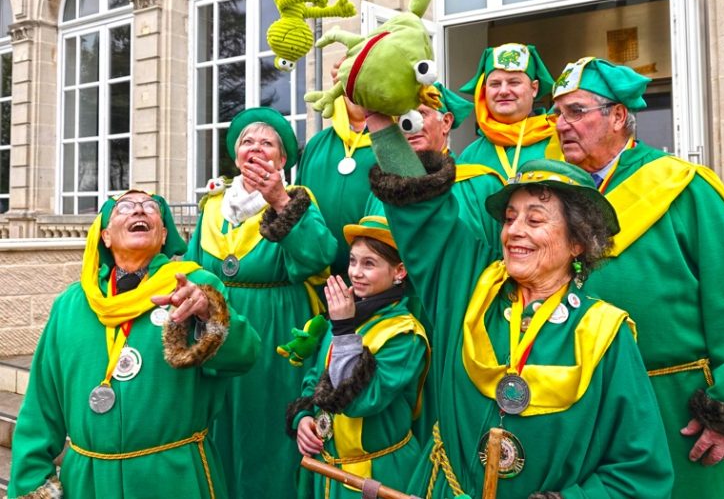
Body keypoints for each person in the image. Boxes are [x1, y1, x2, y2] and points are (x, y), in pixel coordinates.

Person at [363, 110, 674, 498]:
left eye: (536, 219)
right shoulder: (470, 287)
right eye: (510, 218)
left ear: (577, 242)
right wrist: (379, 119)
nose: (515, 231)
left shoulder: (605, 333)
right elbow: (420, 215)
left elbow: (639, 469)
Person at [550, 56, 724, 499]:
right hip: (591, 403)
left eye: (576, 111)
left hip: (679, 405)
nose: (560, 125)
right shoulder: (556, 196)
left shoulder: (684, 186)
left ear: (617, 116)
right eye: (556, 113)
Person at [8, 190, 261, 499]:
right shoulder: (70, 305)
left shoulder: (195, 290)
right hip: (88, 483)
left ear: (165, 233)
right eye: (125, 208)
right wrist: (32, 485)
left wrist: (209, 313)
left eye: (151, 208)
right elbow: (40, 407)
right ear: (105, 236)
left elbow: (246, 356)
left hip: (175, 479)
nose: (139, 212)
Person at [185, 106, 337, 499]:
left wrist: (279, 201)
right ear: (235, 156)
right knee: (221, 424)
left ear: (282, 158)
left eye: (267, 142)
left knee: (270, 431)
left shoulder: (297, 199)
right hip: (220, 331)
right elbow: (193, 270)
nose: (255, 148)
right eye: (247, 142)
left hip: (277, 333)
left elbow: (319, 257)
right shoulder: (212, 207)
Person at [286, 216, 429, 499]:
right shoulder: (345, 317)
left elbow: (361, 402)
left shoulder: (405, 335)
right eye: (352, 261)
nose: (356, 272)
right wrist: (303, 418)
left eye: (369, 264)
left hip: (377, 478)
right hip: (327, 473)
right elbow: (315, 380)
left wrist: (342, 330)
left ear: (399, 271)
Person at [365, 81, 504, 248]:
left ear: (446, 122)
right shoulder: (385, 188)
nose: (410, 126)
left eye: (421, 114)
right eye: (401, 117)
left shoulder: (482, 185)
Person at [297, 57, 377, 277]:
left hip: (375, 282)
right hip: (317, 278)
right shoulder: (317, 144)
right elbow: (299, 205)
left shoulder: (392, 141)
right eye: (345, 76)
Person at [456, 42, 562, 182]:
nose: (504, 91)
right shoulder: (469, 156)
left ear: (534, 88)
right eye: (495, 84)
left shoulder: (560, 142)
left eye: (514, 82)